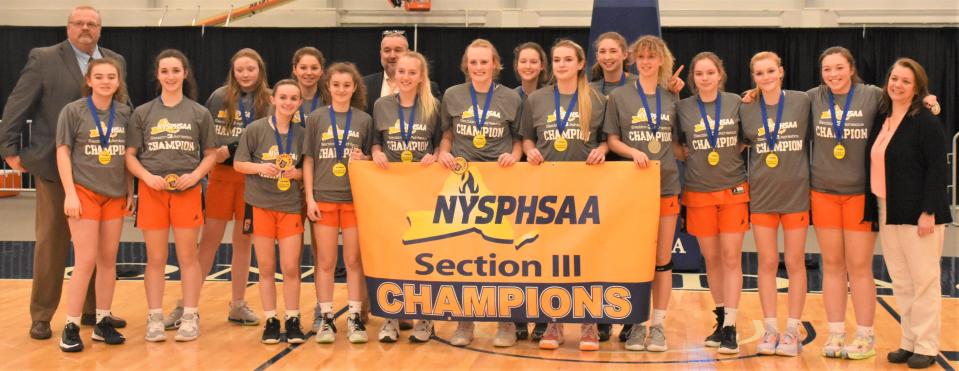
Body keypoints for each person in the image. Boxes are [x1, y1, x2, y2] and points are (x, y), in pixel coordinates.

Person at [0, 5, 127, 339]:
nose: (85, 28)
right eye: (79, 23)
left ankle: (94, 312)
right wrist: (9, 148)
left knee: (99, 248)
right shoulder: (43, 58)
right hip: (58, 169)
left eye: (92, 24)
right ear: (68, 27)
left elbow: (121, 110)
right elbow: (18, 103)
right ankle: (42, 315)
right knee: (53, 243)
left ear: (100, 29)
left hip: (102, 172)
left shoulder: (114, 60)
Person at [519, 39, 607, 351]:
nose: (561, 64)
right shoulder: (537, 99)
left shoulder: (596, 98)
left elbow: (606, 140)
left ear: (581, 63)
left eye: (568, 59)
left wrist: (601, 149)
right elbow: (527, 139)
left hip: (585, 190)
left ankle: (589, 327)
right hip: (546, 190)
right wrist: (530, 153)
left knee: (586, 257)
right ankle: (553, 325)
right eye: (556, 59)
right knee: (549, 258)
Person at [125, 49, 217, 342]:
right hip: (152, 191)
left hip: (187, 192)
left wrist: (196, 175)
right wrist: (147, 178)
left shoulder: (199, 113)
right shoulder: (143, 112)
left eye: (176, 70)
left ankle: (190, 315)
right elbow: (130, 156)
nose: (170, 76)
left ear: (185, 73)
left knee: (189, 257)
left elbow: (211, 154)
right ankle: (154, 317)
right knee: (156, 258)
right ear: (157, 75)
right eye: (165, 71)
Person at [864, 58, 951, 369]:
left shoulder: (925, 120)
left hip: (919, 212)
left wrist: (929, 211)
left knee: (924, 280)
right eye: (894, 78)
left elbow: (937, 169)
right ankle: (909, 341)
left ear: (917, 89)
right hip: (887, 206)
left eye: (905, 81)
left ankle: (927, 346)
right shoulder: (883, 116)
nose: (897, 84)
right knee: (901, 280)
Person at [437, 39, 524, 347]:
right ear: (466, 65)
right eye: (473, 62)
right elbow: (446, 134)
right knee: (464, 257)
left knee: (501, 256)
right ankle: (465, 323)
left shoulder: (511, 98)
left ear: (495, 64)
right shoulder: (452, 95)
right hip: (463, 185)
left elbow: (518, 139)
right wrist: (444, 152)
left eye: (484, 62)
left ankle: (506, 323)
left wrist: (514, 156)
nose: (478, 68)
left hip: (498, 186)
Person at [176, 48, 271, 329]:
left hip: (251, 179)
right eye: (240, 69)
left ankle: (238, 305)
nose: (245, 74)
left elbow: (265, 139)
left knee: (244, 244)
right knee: (209, 241)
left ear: (260, 71)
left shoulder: (269, 99)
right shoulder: (219, 97)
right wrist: (213, 154)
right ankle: (186, 304)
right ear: (233, 71)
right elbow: (207, 136)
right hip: (219, 177)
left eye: (250, 69)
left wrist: (229, 150)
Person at [604, 35, 683, 352]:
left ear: (662, 59)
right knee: (637, 260)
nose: (647, 61)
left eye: (653, 56)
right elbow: (611, 140)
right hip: (633, 189)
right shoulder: (619, 97)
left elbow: (679, 145)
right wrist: (633, 152)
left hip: (666, 187)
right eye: (642, 57)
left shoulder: (672, 98)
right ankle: (636, 323)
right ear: (634, 60)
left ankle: (659, 325)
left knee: (662, 261)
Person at [54, 58, 132, 352]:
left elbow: (127, 156)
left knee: (108, 260)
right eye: (99, 76)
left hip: (113, 195)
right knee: (85, 260)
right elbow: (63, 152)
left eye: (111, 77)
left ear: (118, 81)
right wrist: (70, 193)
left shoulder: (124, 113)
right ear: (89, 80)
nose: (105, 81)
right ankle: (71, 325)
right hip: (84, 192)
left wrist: (129, 191)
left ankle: (102, 321)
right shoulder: (73, 111)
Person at [738, 51, 811, 357]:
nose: (765, 77)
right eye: (759, 73)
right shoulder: (747, 108)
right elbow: (737, 142)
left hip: (796, 196)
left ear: (781, 71)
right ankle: (770, 329)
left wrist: (925, 100)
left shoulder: (803, 101)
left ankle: (792, 330)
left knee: (794, 263)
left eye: (770, 71)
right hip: (763, 197)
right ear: (753, 78)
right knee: (766, 263)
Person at [675, 51, 747, 354]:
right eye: (699, 74)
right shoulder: (682, 108)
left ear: (720, 75)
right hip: (698, 192)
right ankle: (720, 319)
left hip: (732, 190)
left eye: (710, 72)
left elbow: (748, 137)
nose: (705, 78)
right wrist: (687, 155)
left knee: (731, 257)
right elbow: (673, 144)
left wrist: (730, 152)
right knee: (713, 259)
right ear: (693, 78)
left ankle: (731, 325)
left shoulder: (738, 103)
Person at [368, 52, 442, 343]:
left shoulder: (433, 107)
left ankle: (426, 318)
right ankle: (391, 317)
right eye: (402, 72)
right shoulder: (381, 105)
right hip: (391, 191)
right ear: (394, 75)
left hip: (423, 190)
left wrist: (434, 156)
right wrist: (376, 153)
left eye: (413, 72)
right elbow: (375, 142)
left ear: (421, 77)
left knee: (424, 254)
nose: (406, 77)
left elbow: (441, 146)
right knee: (393, 252)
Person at [304, 62, 374, 344]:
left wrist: (365, 159)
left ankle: (355, 317)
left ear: (354, 87)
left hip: (354, 200)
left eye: (347, 85)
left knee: (354, 260)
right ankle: (326, 317)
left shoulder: (364, 120)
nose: (341, 89)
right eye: (336, 85)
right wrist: (309, 198)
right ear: (328, 87)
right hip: (324, 197)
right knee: (326, 261)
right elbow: (308, 159)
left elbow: (371, 159)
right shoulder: (317, 118)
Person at [233, 79, 307, 344]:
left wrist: (296, 173)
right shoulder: (255, 130)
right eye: (283, 97)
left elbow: (307, 169)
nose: (288, 103)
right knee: (266, 267)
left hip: (289, 207)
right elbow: (239, 164)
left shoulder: (302, 133)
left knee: (290, 267)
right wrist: (261, 167)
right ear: (273, 99)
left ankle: (293, 318)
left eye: (293, 99)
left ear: (299, 103)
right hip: (261, 205)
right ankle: (271, 320)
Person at [510, 41, 548, 341]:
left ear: (542, 65)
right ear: (516, 65)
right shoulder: (507, 97)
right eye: (523, 61)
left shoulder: (552, 96)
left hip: (546, 182)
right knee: (520, 253)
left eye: (534, 61)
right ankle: (519, 316)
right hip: (514, 183)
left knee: (546, 254)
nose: (528, 66)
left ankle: (546, 317)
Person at [362, 30, 441, 115]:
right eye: (387, 50)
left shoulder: (431, 88)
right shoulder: (365, 85)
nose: (392, 55)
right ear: (381, 54)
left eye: (398, 50)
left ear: (408, 53)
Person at [589, 32, 634, 97]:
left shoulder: (638, 85)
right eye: (602, 52)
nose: (607, 57)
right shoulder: (589, 90)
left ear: (624, 55)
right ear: (597, 56)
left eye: (613, 51)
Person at [291, 47, 326, 126]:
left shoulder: (331, 101)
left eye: (314, 68)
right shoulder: (284, 100)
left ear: (321, 70)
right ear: (294, 69)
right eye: (303, 68)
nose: (309, 72)